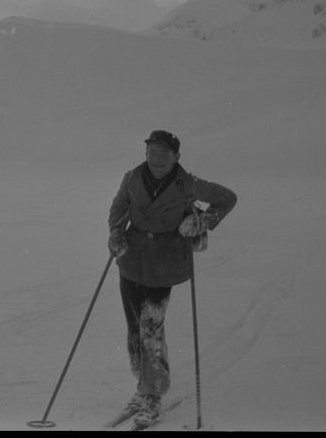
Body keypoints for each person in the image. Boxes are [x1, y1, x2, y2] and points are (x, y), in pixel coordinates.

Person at [107, 130, 237, 427]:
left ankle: (151, 396)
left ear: (176, 157)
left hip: (163, 262)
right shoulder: (132, 178)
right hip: (131, 260)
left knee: (151, 326)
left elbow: (227, 199)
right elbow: (118, 207)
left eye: (164, 154)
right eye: (153, 152)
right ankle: (144, 385)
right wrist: (115, 232)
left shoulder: (188, 184)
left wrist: (202, 220)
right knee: (134, 326)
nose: (157, 159)